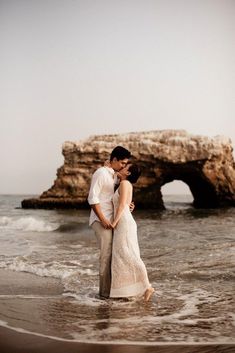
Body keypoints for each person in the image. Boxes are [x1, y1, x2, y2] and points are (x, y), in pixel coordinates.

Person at [87, 146, 131, 298]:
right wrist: (103, 219)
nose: (124, 166)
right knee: (106, 256)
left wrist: (128, 204)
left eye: (126, 164)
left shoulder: (113, 175)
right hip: (100, 221)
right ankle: (104, 295)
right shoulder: (100, 173)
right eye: (123, 163)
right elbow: (92, 198)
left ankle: (113, 291)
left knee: (114, 256)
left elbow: (115, 199)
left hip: (111, 221)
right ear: (114, 160)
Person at [110, 164, 154, 301]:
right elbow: (126, 204)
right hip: (126, 220)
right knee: (123, 255)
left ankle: (147, 286)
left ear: (128, 173)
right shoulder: (126, 184)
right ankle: (129, 290)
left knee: (127, 254)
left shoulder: (124, 184)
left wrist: (114, 222)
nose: (122, 167)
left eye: (125, 167)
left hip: (124, 223)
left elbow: (122, 205)